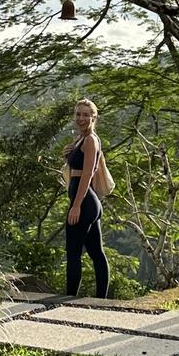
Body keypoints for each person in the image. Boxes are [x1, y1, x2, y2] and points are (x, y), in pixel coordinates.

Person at [63, 97, 110, 298]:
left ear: (93, 117)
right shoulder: (81, 139)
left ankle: (68, 299)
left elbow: (88, 173)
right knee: (96, 253)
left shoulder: (91, 139)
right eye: (78, 114)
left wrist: (76, 205)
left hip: (85, 203)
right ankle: (102, 300)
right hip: (88, 204)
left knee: (73, 253)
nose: (81, 118)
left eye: (85, 115)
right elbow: (76, 168)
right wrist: (68, 155)